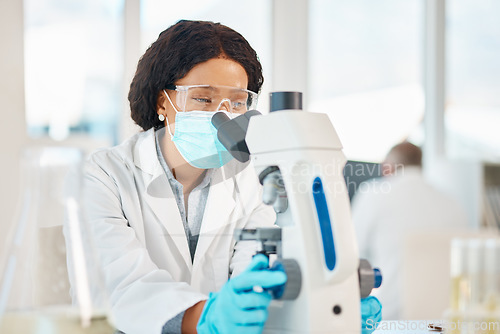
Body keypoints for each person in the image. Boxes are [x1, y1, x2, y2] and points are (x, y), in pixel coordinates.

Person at [72, 19, 378, 334]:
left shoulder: (252, 176)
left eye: (237, 101)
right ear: (163, 100)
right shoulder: (104, 175)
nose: (223, 114)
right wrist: (207, 318)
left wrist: (319, 300)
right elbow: (119, 284)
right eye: (203, 98)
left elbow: (257, 276)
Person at [351, 141, 469, 320]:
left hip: (393, 321)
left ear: (387, 168)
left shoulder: (374, 194)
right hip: (446, 322)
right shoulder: (454, 203)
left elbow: (350, 252)